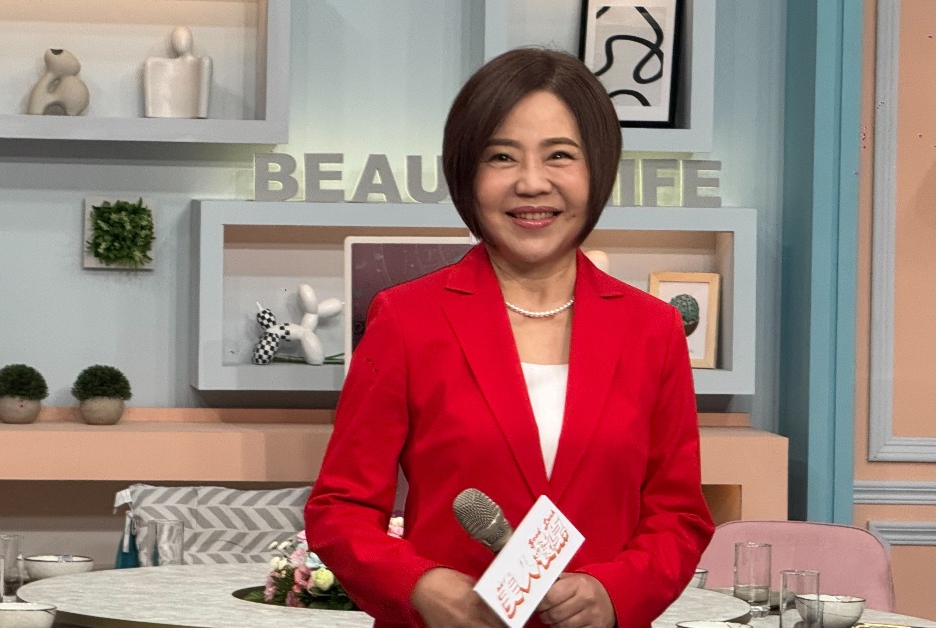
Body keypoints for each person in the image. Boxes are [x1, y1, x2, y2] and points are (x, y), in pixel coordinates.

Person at [304, 47, 714, 628]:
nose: (531, 182)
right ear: (468, 175)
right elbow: (339, 509)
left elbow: (679, 516)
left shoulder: (652, 329)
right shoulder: (407, 318)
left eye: (560, 155)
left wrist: (614, 592)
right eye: (502, 156)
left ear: (597, 169)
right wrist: (420, 586)